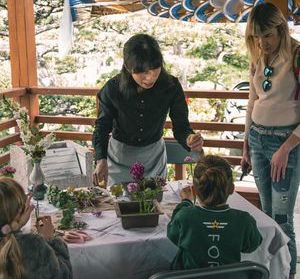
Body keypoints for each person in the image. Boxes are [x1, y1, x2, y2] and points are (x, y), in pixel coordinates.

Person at [92, 33, 203, 187]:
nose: (150, 77)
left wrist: (190, 139)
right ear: (128, 67)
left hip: (154, 157)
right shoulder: (112, 89)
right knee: (119, 203)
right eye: (143, 72)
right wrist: (101, 159)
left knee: (154, 204)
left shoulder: (170, 86)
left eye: (154, 69)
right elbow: (102, 127)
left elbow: (181, 126)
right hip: (119, 157)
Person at [241, 2, 300, 279]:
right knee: (266, 217)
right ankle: (271, 273)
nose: (262, 43)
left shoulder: (297, 54)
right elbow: (253, 100)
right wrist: (245, 144)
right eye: (256, 36)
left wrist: (286, 147)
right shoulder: (257, 57)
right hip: (257, 139)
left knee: (282, 220)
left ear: (281, 30)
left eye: (268, 36)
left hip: (285, 143)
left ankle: (288, 274)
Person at [167, 155, 262, 270]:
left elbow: (172, 234)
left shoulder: (185, 216)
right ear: (231, 189)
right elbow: (252, 245)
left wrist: (186, 201)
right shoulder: (244, 220)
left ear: (194, 190)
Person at [0, 177, 73, 279]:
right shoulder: (33, 245)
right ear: (21, 209)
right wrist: (50, 239)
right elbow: (65, 275)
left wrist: (17, 225)